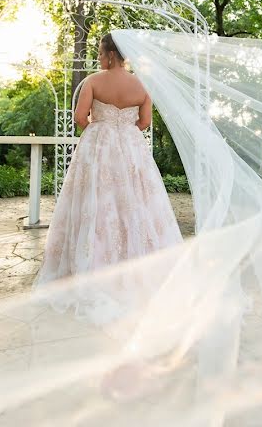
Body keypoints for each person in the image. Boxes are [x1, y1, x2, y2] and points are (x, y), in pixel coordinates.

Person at [35, 33, 184, 285]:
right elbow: (145, 122)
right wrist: (124, 131)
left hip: (97, 148)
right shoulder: (142, 85)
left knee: (96, 198)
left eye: (101, 53)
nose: (98, 58)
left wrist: (100, 130)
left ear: (111, 55)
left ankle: (93, 259)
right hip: (131, 147)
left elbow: (80, 118)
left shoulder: (93, 81)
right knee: (135, 201)